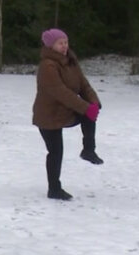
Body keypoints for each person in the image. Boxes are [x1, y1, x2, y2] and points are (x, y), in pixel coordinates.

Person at [32, 28, 102, 201]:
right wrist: (85, 108)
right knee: (56, 151)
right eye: (60, 43)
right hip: (48, 116)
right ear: (51, 45)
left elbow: (83, 84)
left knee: (89, 114)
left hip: (65, 112)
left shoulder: (70, 60)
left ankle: (88, 150)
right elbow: (61, 92)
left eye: (66, 42)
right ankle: (54, 189)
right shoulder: (47, 66)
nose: (64, 46)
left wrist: (93, 102)